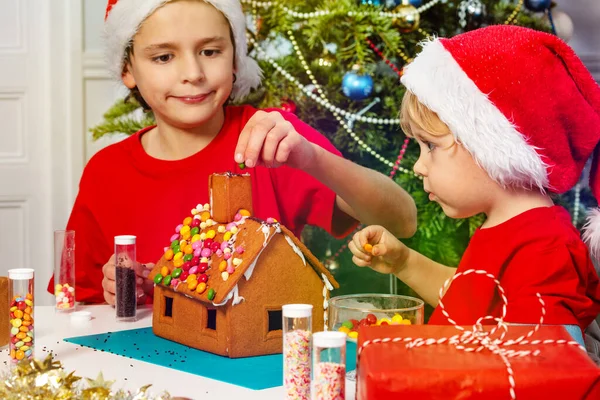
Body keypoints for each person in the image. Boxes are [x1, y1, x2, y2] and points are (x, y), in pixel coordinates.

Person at [47, 0, 417, 305]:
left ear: (235, 57)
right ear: (127, 69)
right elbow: (74, 299)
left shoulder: (272, 139)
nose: (192, 73)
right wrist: (113, 288)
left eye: (210, 51)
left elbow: (402, 221)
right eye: (163, 57)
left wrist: (312, 158)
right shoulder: (106, 172)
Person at [349, 25, 600, 337]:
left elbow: (541, 367)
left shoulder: (545, 250)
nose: (418, 166)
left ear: (490, 146)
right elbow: (472, 304)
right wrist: (404, 262)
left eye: (430, 146)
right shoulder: (511, 228)